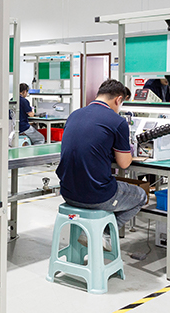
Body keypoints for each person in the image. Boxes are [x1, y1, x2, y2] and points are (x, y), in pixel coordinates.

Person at [56, 79, 147, 247]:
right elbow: (124, 164)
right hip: (96, 196)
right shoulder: (117, 121)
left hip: (67, 192)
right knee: (141, 196)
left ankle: (93, 232)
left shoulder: (74, 114)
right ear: (118, 99)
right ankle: (103, 234)